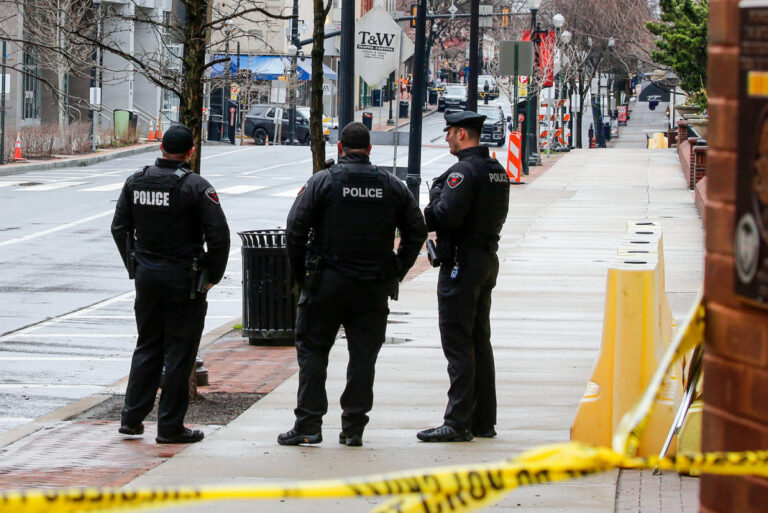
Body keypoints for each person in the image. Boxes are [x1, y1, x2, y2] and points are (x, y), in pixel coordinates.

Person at [279, 122, 427, 447]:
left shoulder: (324, 182)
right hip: (372, 286)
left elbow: (295, 228)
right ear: (370, 149)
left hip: (326, 283)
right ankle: (354, 426)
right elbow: (416, 230)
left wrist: (302, 275)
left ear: (340, 148)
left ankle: (308, 423)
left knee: (314, 352)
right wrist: (397, 271)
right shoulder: (391, 185)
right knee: (363, 358)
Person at [111, 124, 230, 444]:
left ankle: (131, 418)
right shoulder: (196, 187)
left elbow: (119, 228)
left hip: (147, 278)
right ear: (191, 152)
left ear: (161, 148)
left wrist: (134, 265)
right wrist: (211, 277)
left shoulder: (136, 181)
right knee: (180, 351)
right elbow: (219, 237)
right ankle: (170, 426)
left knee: (148, 344)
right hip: (184, 279)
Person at [418, 111, 510, 442]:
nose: (446, 140)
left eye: (449, 134)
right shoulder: (496, 170)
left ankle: (457, 421)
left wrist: (434, 201)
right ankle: (483, 420)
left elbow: (444, 217)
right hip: (485, 259)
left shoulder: (461, 173)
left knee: (458, 343)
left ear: (461, 133)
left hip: (461, 262)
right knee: (478, 341)